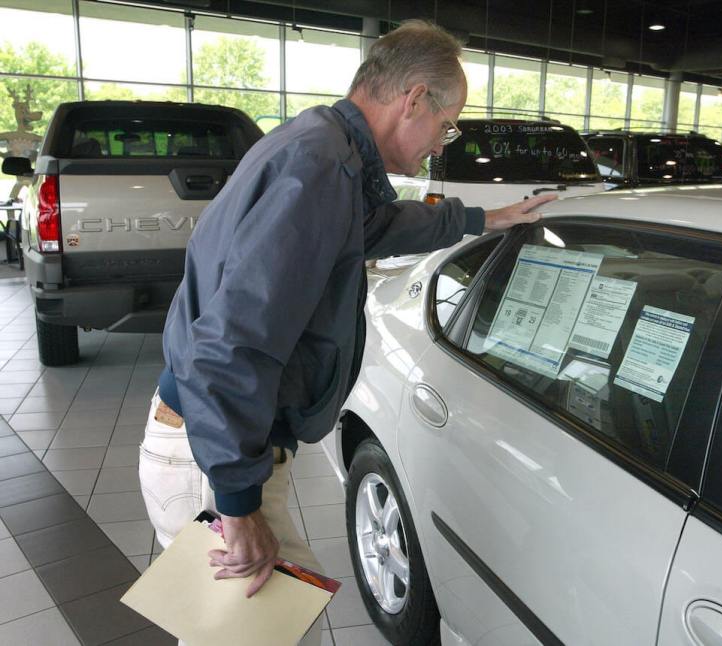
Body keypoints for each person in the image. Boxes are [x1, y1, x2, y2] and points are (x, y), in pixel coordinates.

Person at [138, 18, 554, 643]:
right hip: (210, 444)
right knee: (262, 624)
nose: (443, 144)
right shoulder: (319, 168)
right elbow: (232, 345)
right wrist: (236, 501)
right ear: (414, 99)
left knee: (256, 626)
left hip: (206, 431)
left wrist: (481, 218)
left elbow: (377, 225)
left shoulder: (324, 147)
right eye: (447, 126)